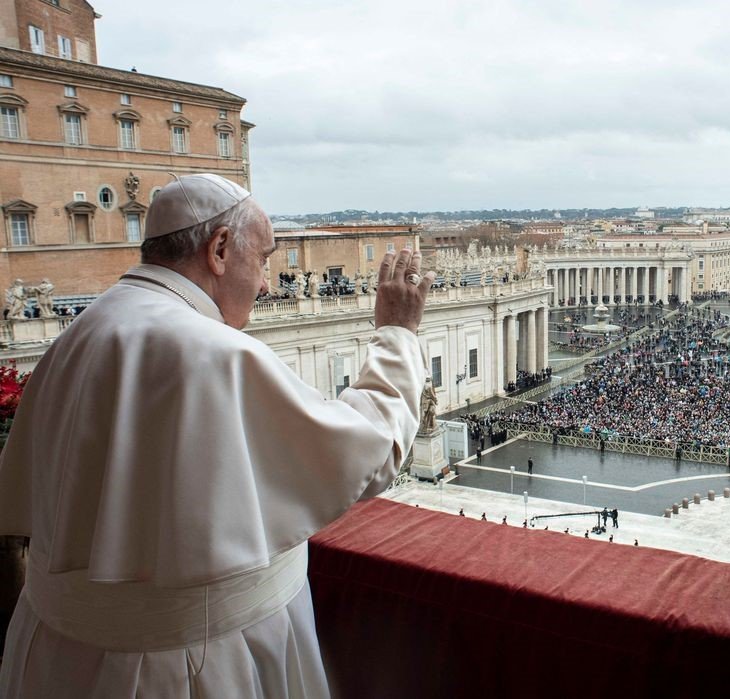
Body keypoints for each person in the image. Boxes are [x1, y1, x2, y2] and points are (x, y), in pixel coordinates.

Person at [0, 174, 436, 698]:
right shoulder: (215, 353)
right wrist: (397, 334)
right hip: (194, 667)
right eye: (266, 258)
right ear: (221, 249)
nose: (268, 283)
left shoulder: (81, 332)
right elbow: (371, 451)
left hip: (57, 657)